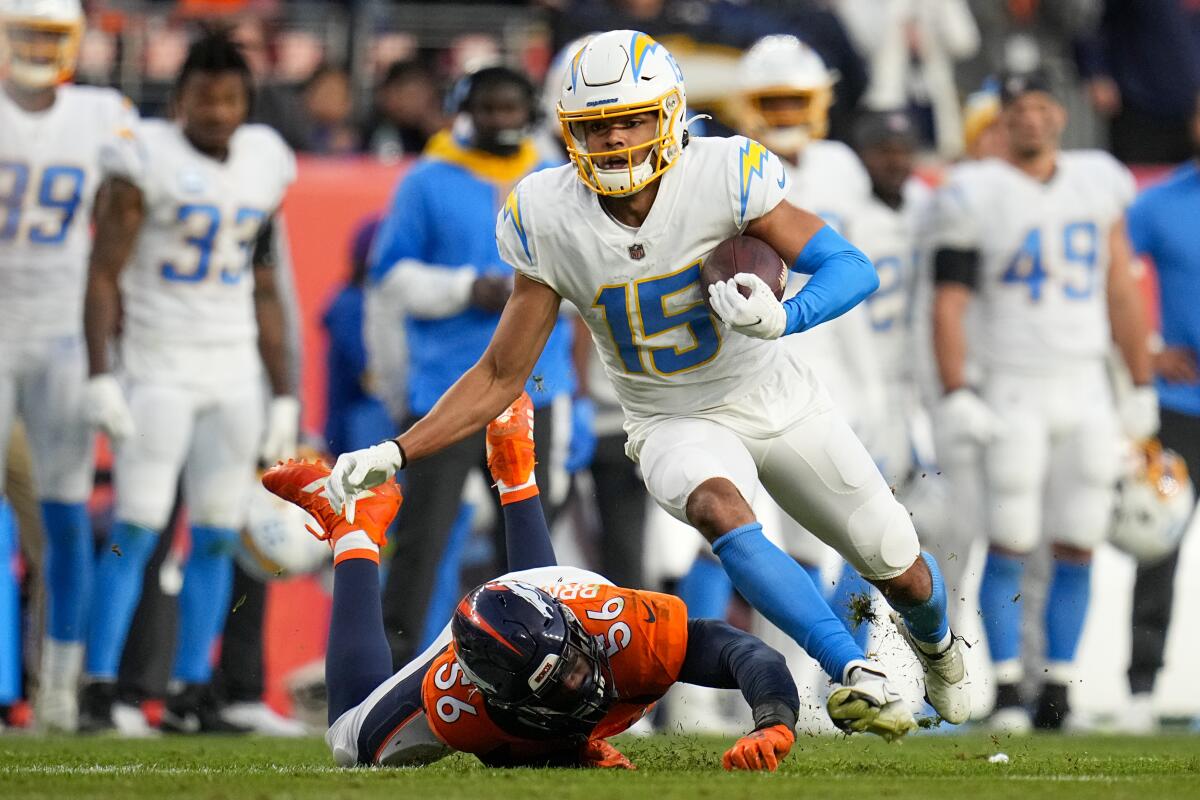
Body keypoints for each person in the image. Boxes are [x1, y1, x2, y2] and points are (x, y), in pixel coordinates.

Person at [326, 30, 971, 738]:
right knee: (719, 510)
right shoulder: (546, 213)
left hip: (776, 397)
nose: (614, 139)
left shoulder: (724, 173)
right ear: (568, 133)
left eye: (631, 118)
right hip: (669, 417)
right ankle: (856, 671)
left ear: (669, 114)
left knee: (899, 568)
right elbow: (501, 373)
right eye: (596, 125)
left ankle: (938, 647)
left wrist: (784, 316)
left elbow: (850, 265)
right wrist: (397, 451)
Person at [266, 394, 799, 771]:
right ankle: (354, 529)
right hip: (487, 648)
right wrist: (575, 750)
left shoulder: (620, 631)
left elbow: (747, 655)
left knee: (544, 621)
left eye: (573, 665)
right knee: (350, 745)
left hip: (561, 592)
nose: (580, 682)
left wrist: (772, 722)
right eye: (560, 684)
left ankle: (516, 468)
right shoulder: (461, 707)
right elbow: (523, 749)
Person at [79, 29, 299, 732]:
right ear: (178, 101)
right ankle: (101, 685)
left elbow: (266, 287)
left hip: (232, 368)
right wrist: (101, 373)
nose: (216, 113)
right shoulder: (144, 158)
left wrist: (285, 391)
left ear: (246, 103)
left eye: (229, 99)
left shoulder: (264, 162)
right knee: (137, 528)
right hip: (157, 366)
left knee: (216, 534)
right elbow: (103, 274)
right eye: (204, 100)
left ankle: (190, 689)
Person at [929, 70, 1156, 731]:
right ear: (1003, 119)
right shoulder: (976, 192)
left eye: (1040, 107)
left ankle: (1058, 693)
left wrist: (1137, 382)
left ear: (1060, 113)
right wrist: (957, 388)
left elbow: (1120, 288)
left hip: (1085, 383)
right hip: (1013, 384)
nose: (1030, 120)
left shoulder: (1096, 181)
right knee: (1010, 540)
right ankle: (1004, 693)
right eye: (1018, 109)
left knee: (1080, 539)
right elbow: (950, 302)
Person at [366, 65, 575, 667]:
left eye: (512, 109)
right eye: (489, 109)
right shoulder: (427, 180)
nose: (501, 121)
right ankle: (394, 671)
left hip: (538, 381)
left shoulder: (555, 176)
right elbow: (392, 277)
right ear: (465, 110)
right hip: (448, 386)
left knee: (531, 540)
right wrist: (464, 288)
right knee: (422, 542)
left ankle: (541, 667)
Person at [0, 0, 140, 731]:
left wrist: (109, 356)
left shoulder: (100, 114)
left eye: (47, 37)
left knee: (62, 516)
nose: (32, 49)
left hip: (61, 335)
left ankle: (57, 685)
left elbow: (139, 206)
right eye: (22, 33)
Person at [1119, 91, 1200, 732]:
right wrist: (1148, 346)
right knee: (1159, 544)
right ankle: (1141, 690)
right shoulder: (1162, 201)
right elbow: (1103, 275)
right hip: (1180, 407)